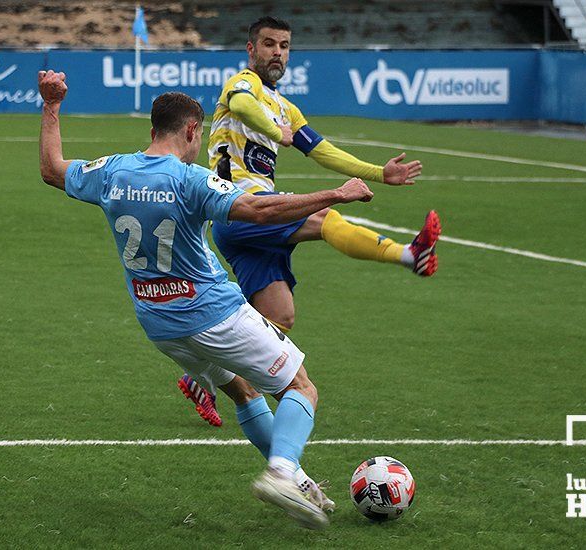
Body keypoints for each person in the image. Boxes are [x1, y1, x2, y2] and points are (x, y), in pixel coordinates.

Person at [37, 70, 376, 528]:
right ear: (192, 131)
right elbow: (256, 209)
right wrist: (337, 193)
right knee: (300, 386)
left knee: (243, 391)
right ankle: (281, 470)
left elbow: (52, 170)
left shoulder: (112, 170)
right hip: (213, 313)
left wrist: (52, 105)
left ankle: (294, 477)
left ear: (152, 129)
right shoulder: (189, 179)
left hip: (158, 322)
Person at [177, 16, 440, 425]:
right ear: (251, 49)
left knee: (279, 317)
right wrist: (274, 131)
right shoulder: (241, 85)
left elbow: (322, 150)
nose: (277, 52)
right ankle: (410, 254)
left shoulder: (285, 107)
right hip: (241, 206)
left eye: (284, 45)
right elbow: (246, 106)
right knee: (323, 216)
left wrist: (379, 173)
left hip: (246, 225)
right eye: (269, 44)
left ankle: (201, 375)